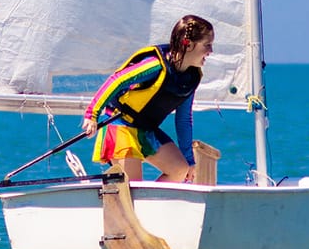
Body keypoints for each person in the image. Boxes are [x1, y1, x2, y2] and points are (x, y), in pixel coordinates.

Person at [81, 15, 214, 182]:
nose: (211, 51)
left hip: (145, 130)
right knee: (133, 188)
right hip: (121, 125)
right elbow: (117, 80)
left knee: (180, 170)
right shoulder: (154, 65)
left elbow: (183, 119)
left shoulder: (191, 78)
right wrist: (92, 115)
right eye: (207, 45)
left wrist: (189, 159)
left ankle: (150, 205)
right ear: (188, 44)